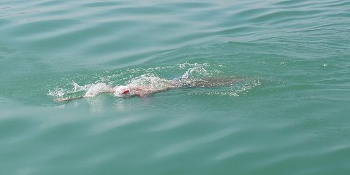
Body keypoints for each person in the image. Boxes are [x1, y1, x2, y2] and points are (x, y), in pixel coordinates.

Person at [53, 75, 243, 103]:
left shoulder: (142, 92)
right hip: (171, 82)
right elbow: (91, 93)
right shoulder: (111, 89)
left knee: (203, 84)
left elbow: (149, 100)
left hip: (178, 86)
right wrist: (69, 99)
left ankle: (230, 80)